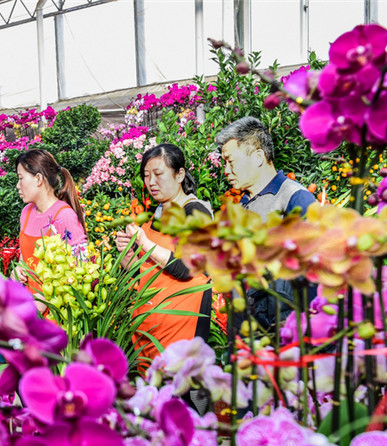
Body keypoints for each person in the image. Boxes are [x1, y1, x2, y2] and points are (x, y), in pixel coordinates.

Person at [114, 144, 213, 366]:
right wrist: (128, 254)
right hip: (151, 326)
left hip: (182, 327)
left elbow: (187, 267)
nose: (151, 182)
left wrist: (145, 243)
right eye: (146, 176)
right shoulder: (156, 215)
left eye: (158, 174)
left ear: (180, 175)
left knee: (181, 392)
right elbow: (144, 269)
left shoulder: (196, 212)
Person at [215, 117, 317, 328]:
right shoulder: (243, 205)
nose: (226, 170)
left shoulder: (294, 198)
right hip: (247, 332)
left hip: (281, 332)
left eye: (231, 161)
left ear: (258, 157)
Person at [16, 148, 87, 298]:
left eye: (21, 178)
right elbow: (25, 257)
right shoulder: (26, 213)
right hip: (27, 304)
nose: (18, 185)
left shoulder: (64, 216)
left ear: (39, 179)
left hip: (55, 311)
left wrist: (45, 299)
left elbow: (81, 268)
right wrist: (17, 270)